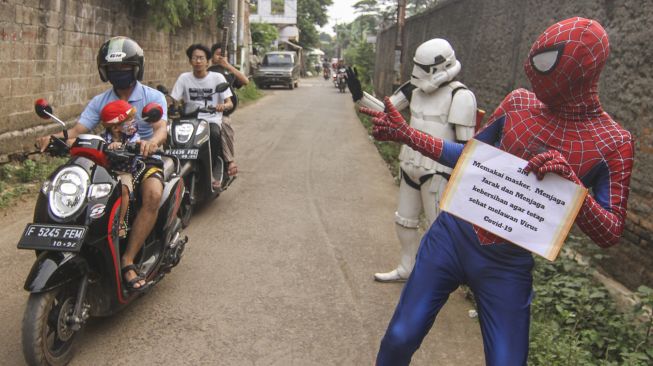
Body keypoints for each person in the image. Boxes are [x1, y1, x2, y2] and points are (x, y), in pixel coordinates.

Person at [361, 17, 634, 365]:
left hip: (506, 263)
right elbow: (470, 157)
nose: (537, 82)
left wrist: (573, 189)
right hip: (452, 234)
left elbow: (610, 231)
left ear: (580, 73)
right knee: (399, 338)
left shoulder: (613, 143)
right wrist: (408, 135)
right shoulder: (520, 103)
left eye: (547, 71)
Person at [36, 36, 168, 292]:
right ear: (104, 71)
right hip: (108, 160)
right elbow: (77, 130)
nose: (119, 73)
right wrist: (52, 139)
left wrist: (151, 142)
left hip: (143, 159)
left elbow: (161, 127)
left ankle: (128, 260)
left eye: (124, 68)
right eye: (113, 69)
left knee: (152, 194)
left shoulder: (152, 97)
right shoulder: (100, 101)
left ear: (136, 68)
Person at [347, 39, 477, 282]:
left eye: (423, 68)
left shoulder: (461, 96)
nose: (417, 74)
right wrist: (359, 95)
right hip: (410, 162)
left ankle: (439, 278)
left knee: (438, 228)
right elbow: (386, 111)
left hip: (438, 169)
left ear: (440, 67)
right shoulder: (412, 89)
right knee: (404, 219)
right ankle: (408, 267)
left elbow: (466, 149)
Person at [170, 44, 234, 189]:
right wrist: (172, 106)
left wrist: (222, 106)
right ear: (190, 61)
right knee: (172, 136)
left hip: (211, 119)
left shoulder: (218, 77)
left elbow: (229, 103)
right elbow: (174, 99)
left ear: (207, 61)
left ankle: (211, 171)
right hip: (189, 119)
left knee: (214, 134)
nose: (198, 61)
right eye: (195, 58)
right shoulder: (184, 78)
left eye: (201, 58)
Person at [100, 100, 141, 240]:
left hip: (124, 171)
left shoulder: (132, 136)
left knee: (124, 189)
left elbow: (136, 144)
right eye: (130, 120)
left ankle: (120, 222)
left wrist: (124, 145)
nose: (133, 122)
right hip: (106, 172)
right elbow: (97, 145)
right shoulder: (104, 137)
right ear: (116, 128)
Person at [208, 42, 248, 178]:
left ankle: (230, 161)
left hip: (221, 113)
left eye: (223, 55)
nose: (220, 57)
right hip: (202, 113)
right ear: (211, 56)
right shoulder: (206, 72)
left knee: (225, 125)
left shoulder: (229, 72)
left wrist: (227, 65)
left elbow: (245, 81)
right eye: (218, 54)